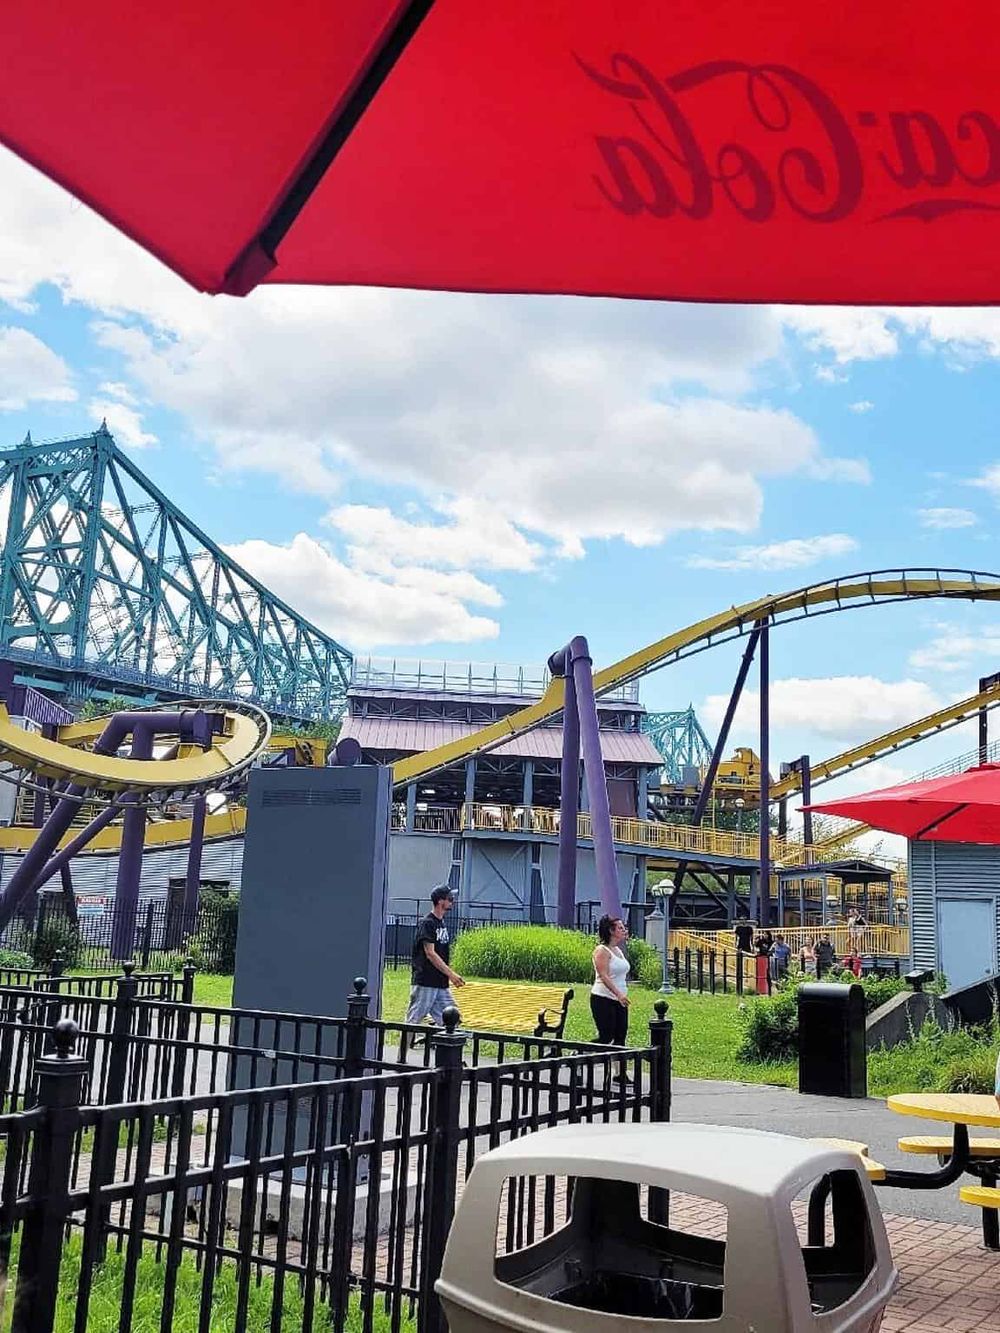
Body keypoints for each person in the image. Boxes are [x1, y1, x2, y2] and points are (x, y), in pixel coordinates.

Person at [404, 885, 465, 1027]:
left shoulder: (441, 923)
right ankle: (402, 1050)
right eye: (450, 898)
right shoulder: (427, 924)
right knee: (412, 1022)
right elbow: (430, 954)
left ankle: (441, 1047)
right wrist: (451, 974)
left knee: (453, 1020)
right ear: (440, 901)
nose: (452, 901)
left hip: (439, 983)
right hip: (426, 981)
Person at [591, 915, 630, 1046]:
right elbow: (604, 975)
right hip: (603, 998)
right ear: (611, 931)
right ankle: (580, 1054)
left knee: (620, 1038)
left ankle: (618, 1067)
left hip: (620, 1000)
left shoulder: (618, 950)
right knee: (606, 1037)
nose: (624, 930)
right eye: (620, 928)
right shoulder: (601, 950)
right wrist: (618, 994)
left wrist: (621, 995)